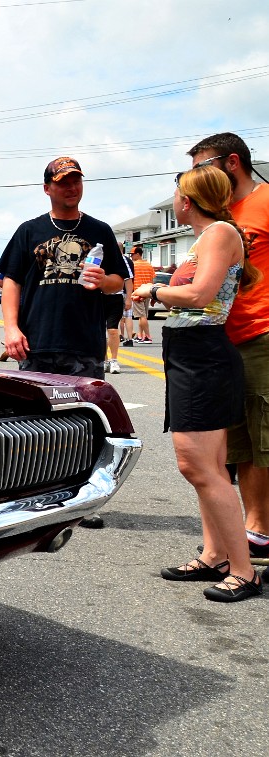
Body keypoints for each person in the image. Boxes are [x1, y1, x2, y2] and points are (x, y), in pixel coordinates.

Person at [133, 164, 262, 601]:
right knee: (210, 467)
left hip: (205, 357)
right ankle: (215, 555)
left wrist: (154, 292)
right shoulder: (207, 239)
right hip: (191, 355)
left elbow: (199, 296)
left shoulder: (221, 232)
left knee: (199, 467)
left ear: (186, 201)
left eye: (176, 195)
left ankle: (244, 571)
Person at [0, 158, 125, 528]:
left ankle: (83, 496)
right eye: (63, 182)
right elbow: (11, 282)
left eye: (76, 181)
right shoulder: (29, 230)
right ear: (47, 188)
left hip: (84, 341)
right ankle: (34, 491)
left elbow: (119, 280)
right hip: (37, 340)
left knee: (85, 421)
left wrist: (104, 281)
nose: (71, 187)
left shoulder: (100, 230)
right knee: (34, 420)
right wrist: (10, 329)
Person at [187, 133, 269, 560]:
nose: (199, 177)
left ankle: (259, 529)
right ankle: (243, 533)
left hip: (262, 332)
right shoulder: (220, 218)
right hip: (224, 338)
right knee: (236, 441)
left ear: (232, 161)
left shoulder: (265, 201)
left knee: (262, 436)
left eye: (204, 166)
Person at [103, 242, 134, 374]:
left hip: (115, 297)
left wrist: (128, 298)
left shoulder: (121, 260)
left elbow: (128, 279)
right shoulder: (98, 256)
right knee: (99, 331)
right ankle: (104, 360)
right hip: (99, 297)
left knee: (113, 330)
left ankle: (114, 360)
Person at [129, 246, 156, 343]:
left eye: (132, 254)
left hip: (137, 293)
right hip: (147, 292)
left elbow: (130, 280)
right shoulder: (149, 265)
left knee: (141, 316)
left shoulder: (133, 265)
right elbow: (152, 280)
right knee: (142, 315)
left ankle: (148, 336)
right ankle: (140, 336)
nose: (131, 256)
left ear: (138, 254)